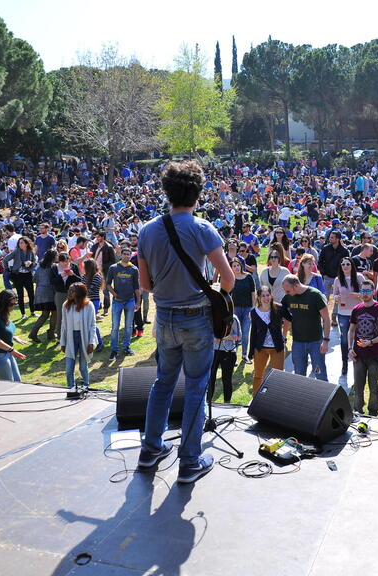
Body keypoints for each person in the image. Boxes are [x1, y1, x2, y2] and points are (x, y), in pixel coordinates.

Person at [137, 160, 234, 484]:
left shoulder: (147, 231)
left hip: (163, 317)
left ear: (167, 192)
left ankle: (151, 448)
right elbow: (229, 279)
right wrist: (211, 293)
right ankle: (189, 461)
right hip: (196, 319)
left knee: (163, 382)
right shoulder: (202, 229)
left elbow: (146, 285)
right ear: (198, 193)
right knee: (195, 387)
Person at [347, 278, 378, 415]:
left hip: (375, 355)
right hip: (358, 355)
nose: (365, 294)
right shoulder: (356, 309)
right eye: (363, 291)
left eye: (368, 291)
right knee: (358, 387)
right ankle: (358, 411)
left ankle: (373, 413)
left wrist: (370, 342)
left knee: (373, 387)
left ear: (373, 292)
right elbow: (351, 330)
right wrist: (350, 348)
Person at [281, 274, 331, 381]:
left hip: (316, 343)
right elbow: (281, 310)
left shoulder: (315, 295)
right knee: (299, 375)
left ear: (295, 286)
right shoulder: (289, 297)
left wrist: (326, 340)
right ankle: (302, 397)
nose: (286, 294)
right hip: (298, 342)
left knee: (320, 374)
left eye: (288, 291)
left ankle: (323, 397)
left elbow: (326, 319)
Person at [59, 282, 98, 397]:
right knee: (69, 367)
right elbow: (64, 325)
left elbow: (92, 325)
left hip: (84, 337)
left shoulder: (88, 305)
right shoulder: (66, 306)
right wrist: (63, 342)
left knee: (82, 366)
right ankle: (70, 388)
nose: (70, 293)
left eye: (73, 291)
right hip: (71, 338)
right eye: (69, 291)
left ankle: (86, 387)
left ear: (79, 293)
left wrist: (91, 342)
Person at [248, 285, 286, 394]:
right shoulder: (254, 312)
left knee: (278, 376)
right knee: (258, 376)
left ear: (271, 295)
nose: (266, 298)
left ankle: (275, 399)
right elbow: (253, 332)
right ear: (258, 298)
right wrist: (251, 352)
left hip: (277, 348)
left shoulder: (279, 308)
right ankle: (256, 399)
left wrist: (285, 333)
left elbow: (291, 319)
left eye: (268, 295)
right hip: (261, 349)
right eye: (263, 296)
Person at [105, 246, 141, 361]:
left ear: (130, 255)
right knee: (115, 327)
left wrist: (138, 302)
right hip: (117, 302)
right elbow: (108, 284)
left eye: (128, 254)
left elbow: (136, 287)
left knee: (129, 326)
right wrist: (115, 295)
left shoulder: (134, 269)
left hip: (130, 301)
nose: (126, 256)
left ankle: (126, 347)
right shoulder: (113, 268)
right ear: (121, 255)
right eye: (124, 254)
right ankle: (114, 350)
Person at [332, 257, 364, 376]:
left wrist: (357, 295)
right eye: (343, 264)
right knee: (344, 339)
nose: (345, 266)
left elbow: (365, 292)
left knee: (358, 338)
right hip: (343, 313)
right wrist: (336, 298)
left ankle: (358, 363)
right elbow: (334, 293)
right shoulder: (337, 279)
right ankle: (344, 363)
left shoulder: (359, 277)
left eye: (347, 264)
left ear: (352, 266)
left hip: (358, 313)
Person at [2, 236, 36, 319]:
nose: (20, 244)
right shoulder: (16, 251)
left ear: (26, 243)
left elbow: (35, 262)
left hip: (28, 274)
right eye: (19, 243)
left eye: (22, 242)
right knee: (20, 295)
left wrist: (30, 263)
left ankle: (32, 312)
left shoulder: (30, 251)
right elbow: (5, 260)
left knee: (31, 294)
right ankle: (23, 314)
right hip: (18, 275)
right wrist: (8, 269)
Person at [209, 315, 241, 403]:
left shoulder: (233, 318)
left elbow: (238, 336)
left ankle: (227, 403)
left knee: (226, 379)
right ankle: (208, 402)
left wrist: (222, 338)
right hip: (213, 351)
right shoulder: (210, 317)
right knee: (210, 378)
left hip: (228, 352)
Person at [28, 249, 58, 343]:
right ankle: (51, 333)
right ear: (53, 257)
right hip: (50, 292)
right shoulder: (53, 267)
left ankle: (34, 332)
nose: (57, 257)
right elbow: (55, 280)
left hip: (40, 292)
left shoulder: (39, 266)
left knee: (44, 315)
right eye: (56, 255)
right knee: (55, 313)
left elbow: (34, 279)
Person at [229, 258, 256, 358]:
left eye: (238, 265)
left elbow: (253, 293)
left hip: (248, 309)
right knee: (235, 333)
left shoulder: (248, 277)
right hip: (235, 309)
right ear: (231, 268)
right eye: (234, 266)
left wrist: (253, 308)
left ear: (241, 266)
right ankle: (233, 355)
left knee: (245, 333)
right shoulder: (230, 278)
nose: (236, 268)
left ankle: (245, 355)